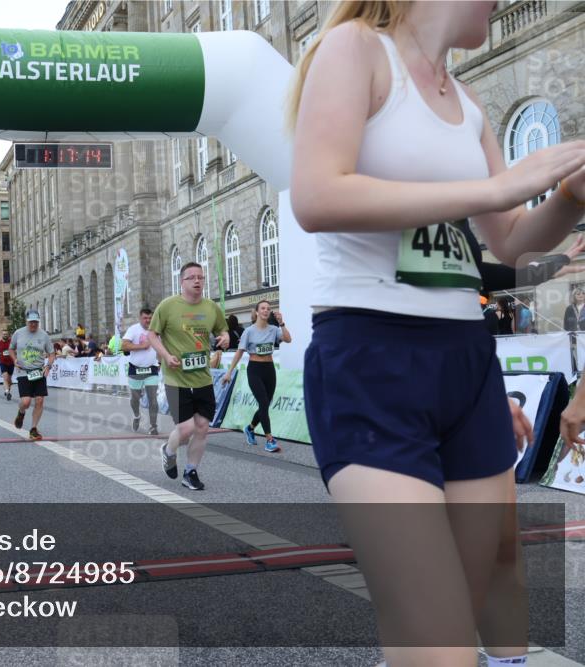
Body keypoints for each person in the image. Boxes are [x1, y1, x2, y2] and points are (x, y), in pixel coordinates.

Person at [290, 2, 584, 664]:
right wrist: (497, 188)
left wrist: (568, 196)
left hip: (467, 363)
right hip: (371, 358)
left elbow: (507, 244)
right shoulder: (354, 51)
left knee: (468, 602)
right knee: (439, 641)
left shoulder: (468, 99)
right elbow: (316, 196)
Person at [149, 262, 229, 491]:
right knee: (185, 429)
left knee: (202, 427)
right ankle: (168, 451)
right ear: (181, 282)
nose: (197, 281)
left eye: (201, 277)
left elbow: (222, 330)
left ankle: (190, 471)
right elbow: (152, 335)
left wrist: (224, 338)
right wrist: (165, 355)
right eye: (192, 277)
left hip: (202, 378)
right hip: (176, 378)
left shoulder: (211, 307)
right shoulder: (167, 306)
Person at [223, 300, 291, 453]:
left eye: (268, 308)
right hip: (254, 369)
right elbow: (240, 352)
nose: (266, 311)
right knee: (264, 402)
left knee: (265, 404)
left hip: (269, 369)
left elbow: (288, 339)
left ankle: (250, 428)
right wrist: (229, 372)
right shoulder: (249, 331)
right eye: (263, 308)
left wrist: (282, 323)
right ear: (257, 312)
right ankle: (269, 440)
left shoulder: (274, 329)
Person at [10, 310, 55, 441]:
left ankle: (33, 429)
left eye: (35, 322)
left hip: (39, 371)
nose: (33, 324)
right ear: (27, 321)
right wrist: (14, 360)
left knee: (40, 400)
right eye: (31, 322)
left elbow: (51, 354)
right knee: (26, 402)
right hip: (23, 371)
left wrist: (49, 365)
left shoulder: (44, 335)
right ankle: (21, 412)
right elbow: (11, 348)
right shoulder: (18, 333)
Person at [122, 308, 161, 436]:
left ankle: (153, 426)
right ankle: (137, 415)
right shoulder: (133, 329)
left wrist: (160, 362)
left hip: (152, 369)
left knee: (153, 399)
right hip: (135, 369)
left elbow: (161, 347)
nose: (148, 320)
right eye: (145, 318)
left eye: (150, 318)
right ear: (140, 318)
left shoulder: (156, 330)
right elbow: (124, 346)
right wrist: (141, 346)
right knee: (135, 399)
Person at [0, 329, 16, 401]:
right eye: (4, 334)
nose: (5, 335)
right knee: (5, 377)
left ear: (8, 335)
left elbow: (15, 350)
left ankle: (7, 390)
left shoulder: (12, 342)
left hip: (11, 363)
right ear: (2, 335)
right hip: (3, 362)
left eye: (6, 334)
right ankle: (7, 392)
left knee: (9, 380)